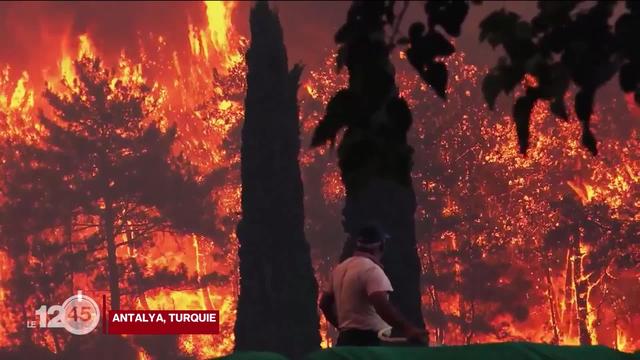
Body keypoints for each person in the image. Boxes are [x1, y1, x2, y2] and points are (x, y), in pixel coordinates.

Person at [319, 224, 428, 346]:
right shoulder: (371, 270)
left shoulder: (339, 269)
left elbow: (324, 304)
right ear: (381, 246)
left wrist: (343, 327)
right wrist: (408, 329)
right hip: (369, 342)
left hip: (345, 341)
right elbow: (381, 304)